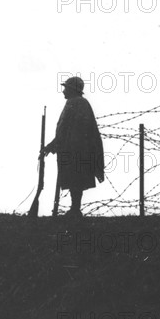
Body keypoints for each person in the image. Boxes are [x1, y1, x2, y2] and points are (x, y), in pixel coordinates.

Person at [41, 77, 104, 217]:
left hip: (75, 150)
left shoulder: (75, 103)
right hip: (77, 148)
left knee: (75, 178)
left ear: (72, 89)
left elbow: (65, 129)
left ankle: (75, 209)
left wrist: (51, 146)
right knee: (76, 179)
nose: (63, 90)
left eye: (66, 88)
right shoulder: (78, 102)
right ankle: (75, 209)